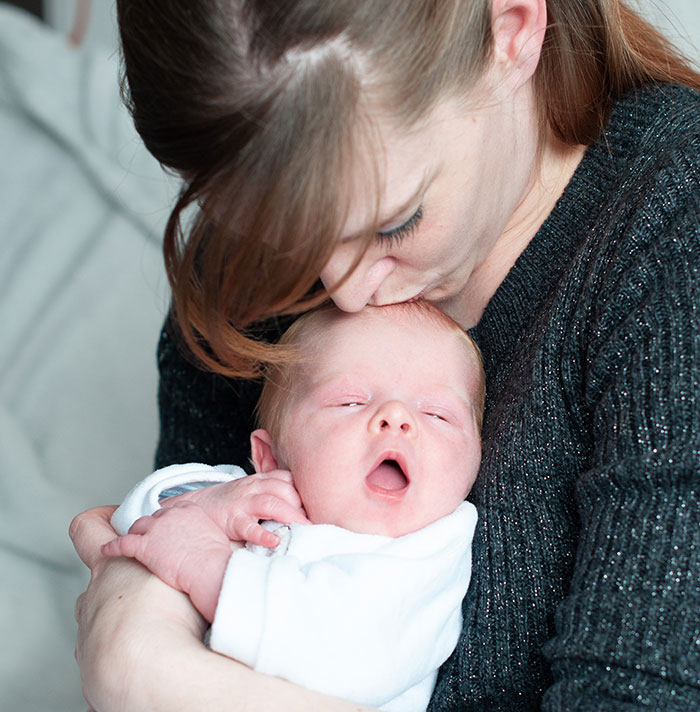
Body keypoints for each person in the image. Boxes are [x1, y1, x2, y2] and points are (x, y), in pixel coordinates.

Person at [69, 1, 700, 710]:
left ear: (515, 30)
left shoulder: (673, 228)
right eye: (285, 237)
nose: (340, 289)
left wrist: (136, 663)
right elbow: (178, 531)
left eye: (394, 223)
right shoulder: (246, 265)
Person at [101, 302, 484, 712]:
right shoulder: (261, 499)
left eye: (437, 414)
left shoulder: (431, 551)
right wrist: (209, 502)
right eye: (351, 402)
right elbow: (138, 529)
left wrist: (208, 567)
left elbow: (347, 657)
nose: (397, 417)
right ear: (270, 457)